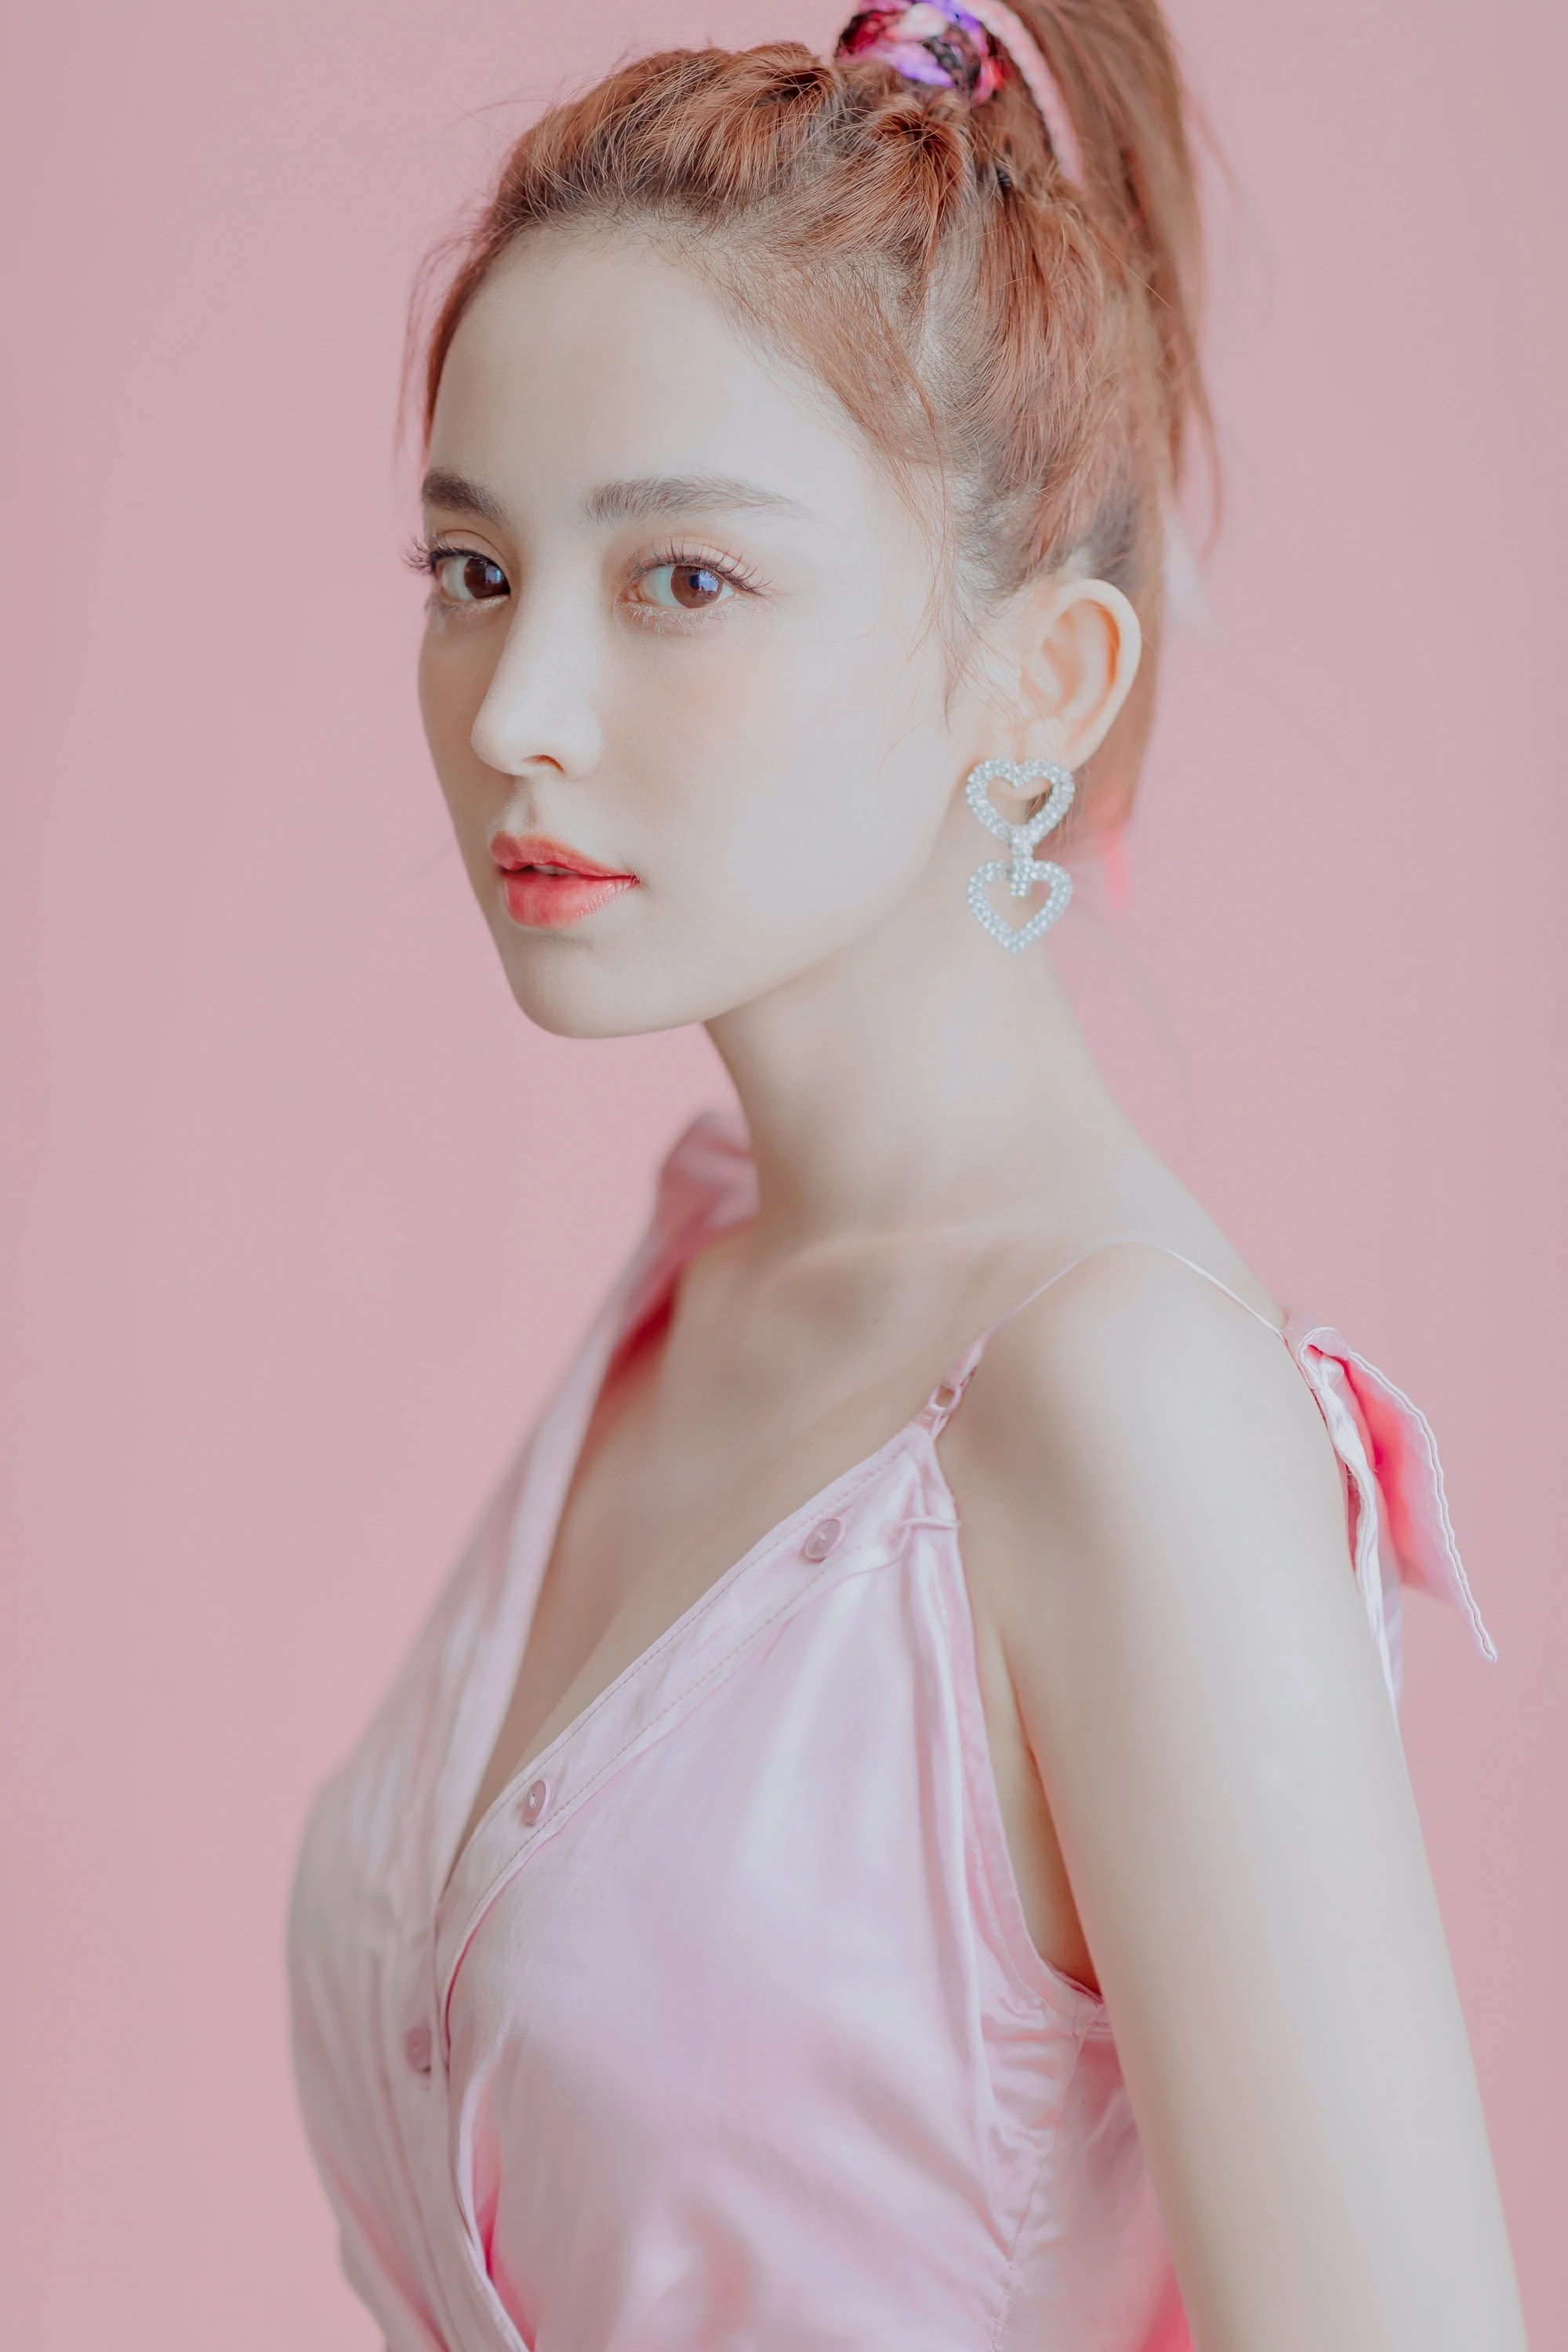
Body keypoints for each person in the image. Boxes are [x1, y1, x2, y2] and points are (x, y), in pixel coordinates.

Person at [287, 6, 1526, 2346]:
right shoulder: (711, 1272)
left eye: (682, 580)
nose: (517, 709)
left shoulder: (1122, 1411)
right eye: (471, 568)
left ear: (1041, 679)